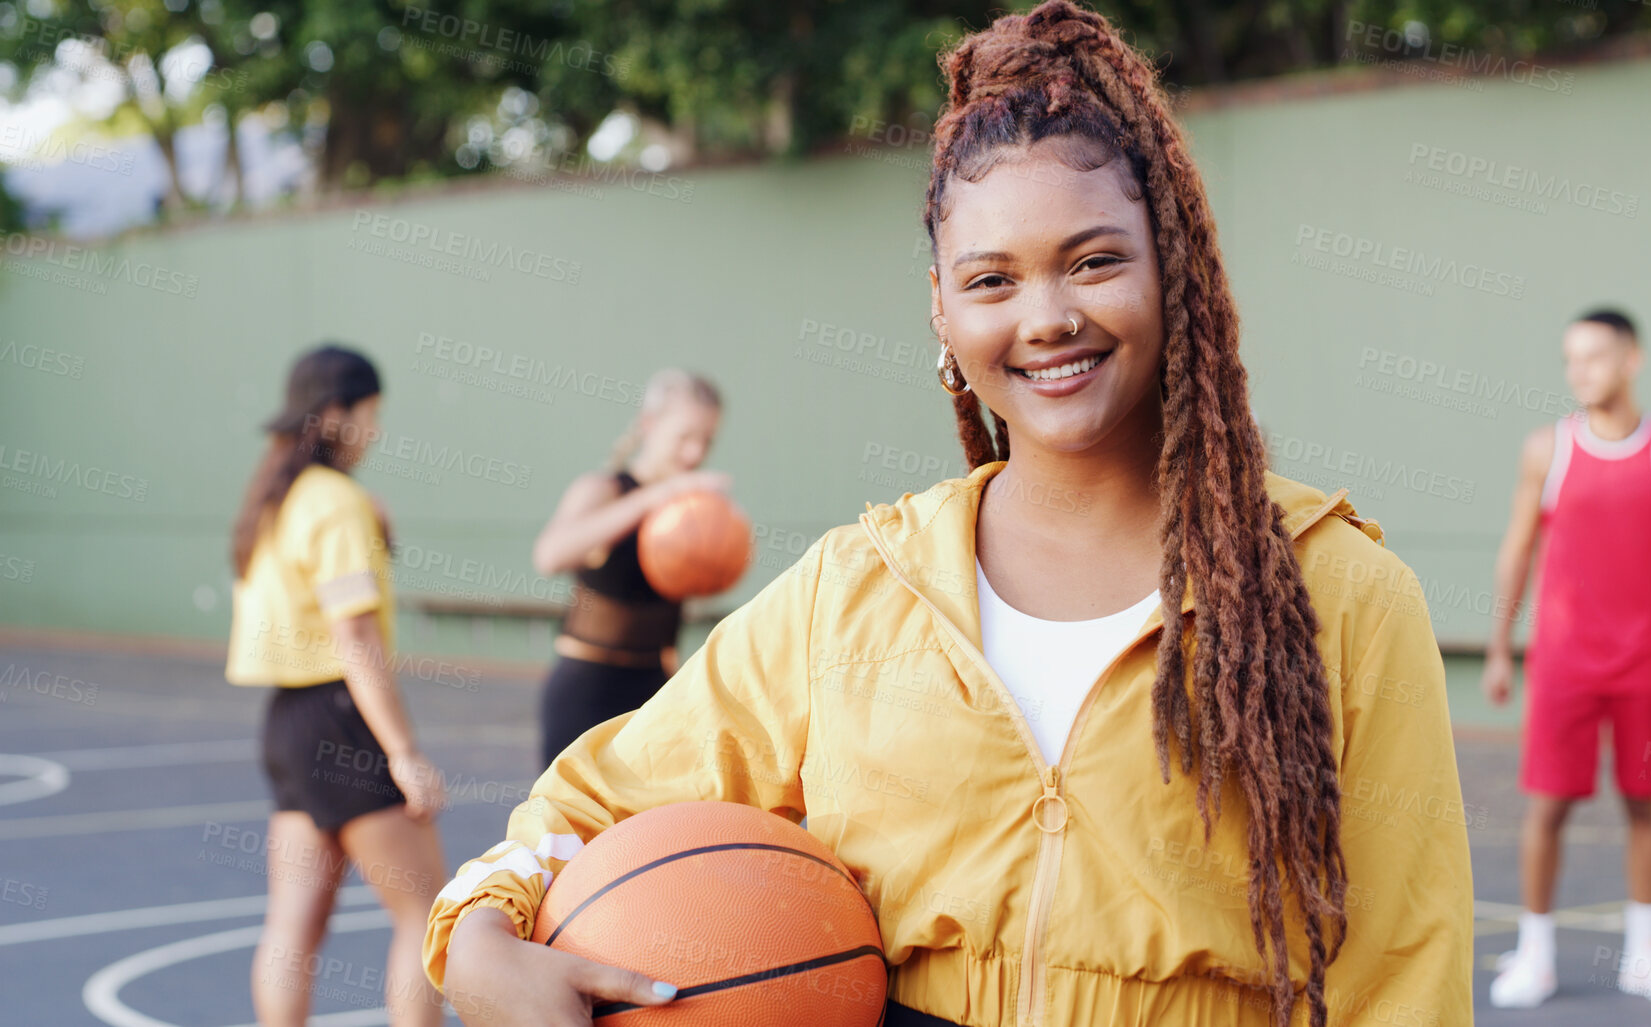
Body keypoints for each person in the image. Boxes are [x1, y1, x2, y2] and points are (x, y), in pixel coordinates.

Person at [422, 4, 1472, 1025]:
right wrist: (475, 933)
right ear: (941, 306)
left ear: (1175, 265)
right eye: (992, 279)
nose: (1047, 317)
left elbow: (1406, 977)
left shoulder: (1338, 595)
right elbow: (592, 801)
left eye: (1095, 259)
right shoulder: (860, 588)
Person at [1482, 309, 1651, 1007]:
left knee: (1644, 805)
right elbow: (1516, 551)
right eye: (1569, 359)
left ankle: (1643, 954)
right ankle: (1535, 955)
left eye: (1593, 356)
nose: (1578, 370)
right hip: (1562, 664)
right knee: (1546, 808)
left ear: (1631, 360)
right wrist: (1499, 647)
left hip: (1643, 663)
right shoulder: (1545, 449)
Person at [226, 344, 447, 1027]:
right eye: (371, 414)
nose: (376, 431)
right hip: (340, 718)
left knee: (293, 926)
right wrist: (404, 751)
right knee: (427, 912)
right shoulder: (335, 501)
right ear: (339, 415)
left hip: (288, 721)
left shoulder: (275, 497)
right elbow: (353, 638)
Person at [529, 369, 729, 769]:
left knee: (651, 829)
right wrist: (653, 498)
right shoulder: (605, 490)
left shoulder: (687, 510)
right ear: (650, 425)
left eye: (706, 440)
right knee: (572, 828)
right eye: (685, 437)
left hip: (654, 689)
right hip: (587, 688)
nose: (695, 454)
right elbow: (549, 555)